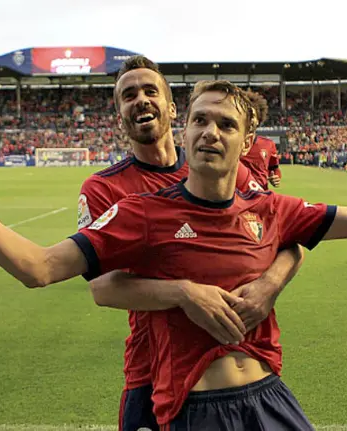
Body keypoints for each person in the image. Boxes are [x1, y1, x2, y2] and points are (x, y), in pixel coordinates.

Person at [0, 80, 347, 430]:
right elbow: (41, 268)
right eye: (199, 120)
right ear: (185, 127)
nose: (209, 132)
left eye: (225, 124)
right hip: (196, 411)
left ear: (247, 141)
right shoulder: (142, 213)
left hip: (270, 398)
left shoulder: (269, 207)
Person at [70, 56, 304, 431]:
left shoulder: (223, 166)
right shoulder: (104, 188)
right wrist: (184, 293)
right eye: (128, 95)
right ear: (119, 115)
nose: (141, 100)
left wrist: (269, 285)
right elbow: (102, 287)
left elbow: (289, 238)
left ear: (173, 108)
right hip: (151, 367)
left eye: (150, 90)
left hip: (239, 358)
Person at [238, 90, 281, 189]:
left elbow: (274, 169)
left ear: (259, 119)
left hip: (260, 194)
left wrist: (276, 177)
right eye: (246, 115)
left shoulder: (268, 144)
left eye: (253, 116)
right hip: (237, 195)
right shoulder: (232, 143)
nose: (250, 119)